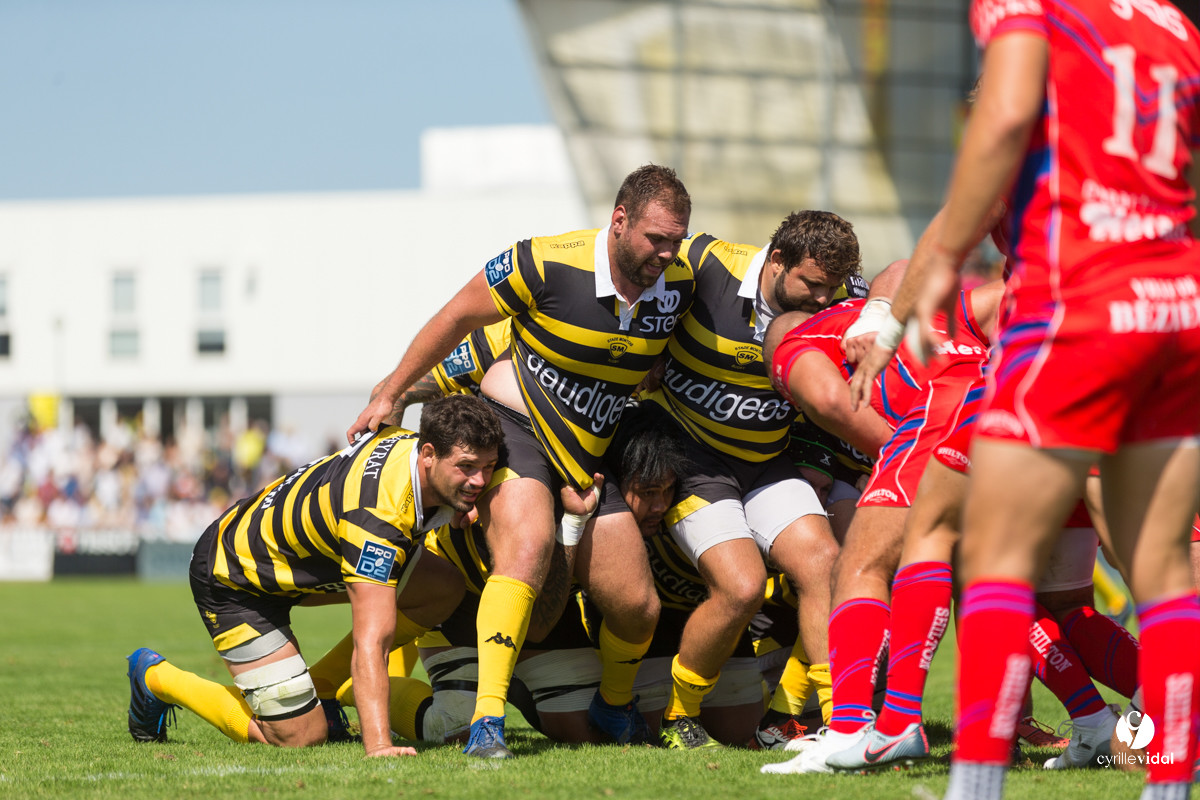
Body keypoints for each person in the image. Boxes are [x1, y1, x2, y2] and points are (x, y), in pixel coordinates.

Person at [848, 1, 1200, 796]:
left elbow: (1003, 123)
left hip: (1073, 313)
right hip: (1171, 306)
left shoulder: (1029, 9)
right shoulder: (1173, 25)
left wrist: (917, 291)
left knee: (988, 557)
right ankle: (1166, 778)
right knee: (1163, 568)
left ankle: (960, 773)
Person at [347, 165, 697, 757]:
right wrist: (391, 393)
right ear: (618, 221)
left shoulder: (681, 281)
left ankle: (613, 706)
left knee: (638, 606)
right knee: (528, 550)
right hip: (520, 430)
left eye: (676, 241)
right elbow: (455, 317)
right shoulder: (543, 262)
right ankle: (486, 722)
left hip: (585, 453)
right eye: (655, 239)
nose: (666, 253)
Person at [123, 394, 503, 758]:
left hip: (298, 562)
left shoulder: (405, 444)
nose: (479, 480)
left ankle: (322, 686)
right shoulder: (376, 518)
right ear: (428, 455)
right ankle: (155, 678)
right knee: (301, 736)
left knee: (442, 587)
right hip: (234, 578)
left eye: (488, 467)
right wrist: (378, 745)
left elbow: (389, 402)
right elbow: (373, 640)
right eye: (467, 467)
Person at [639, 212, 864, 750]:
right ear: (777, 260)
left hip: (766, 462)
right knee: (741, 587)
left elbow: (890, 291)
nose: (823, 298)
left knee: (825, 565)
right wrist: (646, 349)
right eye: (813, 284)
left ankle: (840, 723)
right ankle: (679, 716)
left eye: (832, 287)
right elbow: (634, 274)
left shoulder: (843, 295)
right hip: (693, 462)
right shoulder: (705, 263)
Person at [759, 284, 997, 774]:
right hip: (1008, 411)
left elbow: (828, 399)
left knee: (858, 565)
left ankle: (850, 730)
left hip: (941, 418)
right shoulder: (904, 303)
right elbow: (917, 268)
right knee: (1032, 592)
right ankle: (1079, 722)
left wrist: (896, 454)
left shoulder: (796, 341)